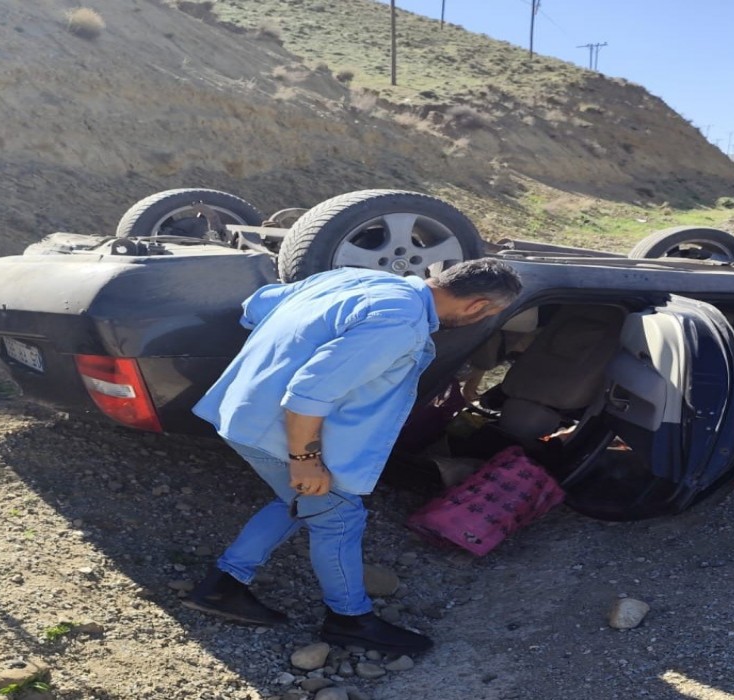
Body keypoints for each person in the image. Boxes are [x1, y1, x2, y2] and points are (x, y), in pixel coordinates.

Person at [186, 259, 523, 654]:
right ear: (475, 306)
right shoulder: (400, 322)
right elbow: (308, 393)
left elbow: (258, 305)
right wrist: (305, 458)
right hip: (275, 430)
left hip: (242, 409)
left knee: (300, 502)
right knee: (339, 518)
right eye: (491, 315)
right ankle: (349, 620)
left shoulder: (358, 278)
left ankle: (222, 585)